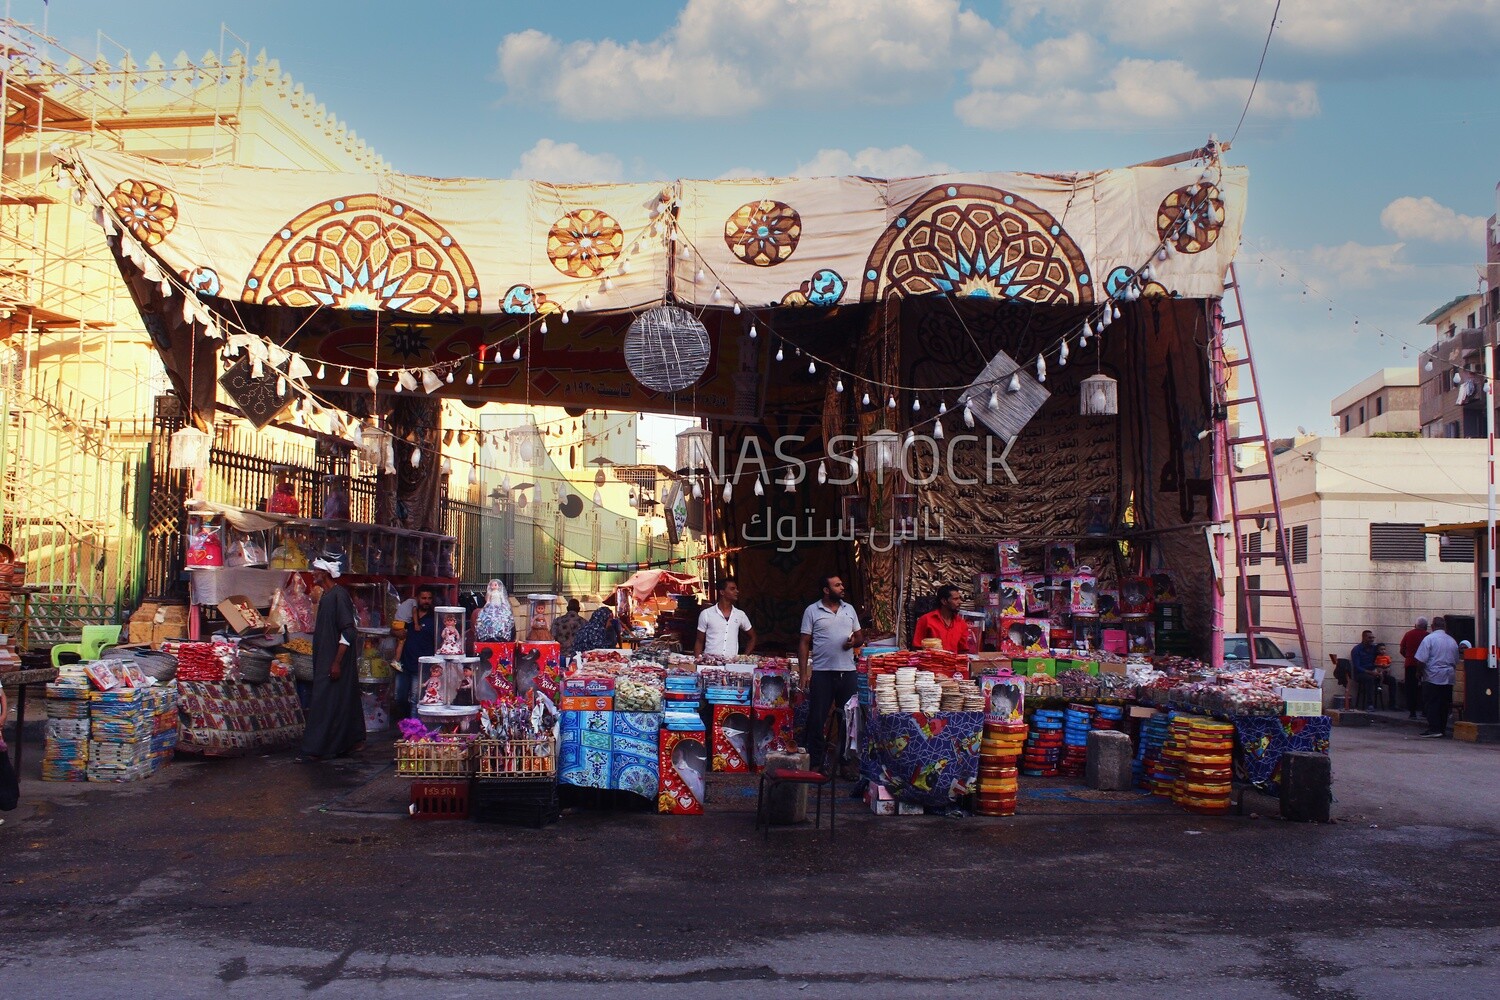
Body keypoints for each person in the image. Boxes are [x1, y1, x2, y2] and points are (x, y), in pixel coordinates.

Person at [298, 550, 365, 761]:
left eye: (316, 571)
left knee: (323, 703)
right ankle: (345, 743)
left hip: (334, 662)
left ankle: (316, 748)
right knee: (338, 703)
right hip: (326, 660)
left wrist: (336, 662)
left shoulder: (339, 595)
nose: (313, 575)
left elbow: (348, 631)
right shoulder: (327, 596)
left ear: (325, 573)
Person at [798, 575, 865, 774]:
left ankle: (845, 763)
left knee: (847, 719)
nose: (842, 587)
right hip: (822, 673)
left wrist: (855, 642)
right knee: (817, 719)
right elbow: (804, 642)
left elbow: (860, 636)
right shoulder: (812, 610)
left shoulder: (849, 609)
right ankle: (816, 762)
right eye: (837, 585)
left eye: (842, 584)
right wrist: (803, 673)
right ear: (826, 590)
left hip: (848, 673)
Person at [392, 585, 436, 720]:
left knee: (416, 699)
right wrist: (395, 632)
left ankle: (414, 731)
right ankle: (406, 723)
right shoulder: (408, 616)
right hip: (404, 664)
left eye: (429, 598)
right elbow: (394, 630)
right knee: (399, 697)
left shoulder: (434, 618)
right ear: (417, 598)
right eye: (423, 598)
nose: (426, 601)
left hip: (421, 666)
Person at [1413, 616, 1461, 738]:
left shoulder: (1429, 639)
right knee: (1444, 704)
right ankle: (1442, 728)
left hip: (1432, 675)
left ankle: (1434, 728)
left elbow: (1421, 659)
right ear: (1444, 626)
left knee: (1432, 702)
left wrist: (1419, 672)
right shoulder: (1452, 640)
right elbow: (1456, 660)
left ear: (1432, 626)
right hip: (1448, 676)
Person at [694, 577, 756, 657]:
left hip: (731, 665)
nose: (737, 591)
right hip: (710, 664)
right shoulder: (706, 614)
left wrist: (744, 657)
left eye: (736, 589)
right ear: (722, 592)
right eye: (732, 589)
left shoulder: (740, 615)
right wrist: (697, 662)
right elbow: (699, 641)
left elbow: (753, 637)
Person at [911, 584, 976, 654]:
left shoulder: (961, 623)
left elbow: (963, 650)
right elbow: (917, 647)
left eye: (960, 598)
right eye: (955, 599)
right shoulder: (925, 620)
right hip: (931, 663)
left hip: (953, 663)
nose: (960, 602)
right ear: (944, 601)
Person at [1399, 617, 1429, 721]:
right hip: (1425, 665)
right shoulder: (1427, 636)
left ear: (1415, 625)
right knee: (1426, 687)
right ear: (1425, 626)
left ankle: (1412, 712)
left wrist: (1408, 657)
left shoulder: (1408, 634)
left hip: (1410, 664)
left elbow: (1402, 649)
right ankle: (1425, 711)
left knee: (1411, 688)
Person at [1350, 630, 1379, 711]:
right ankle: (1370, 704)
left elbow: (1380, 659)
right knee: (1369, 679)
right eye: (1369, 638)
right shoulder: (1356, 649)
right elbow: (1357, 666)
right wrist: (1370, 672)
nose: (1372, 640)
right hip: (1361, 674)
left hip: (1374, 671)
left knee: (1392, 680)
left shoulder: (1374, 648)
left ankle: (1392, 704)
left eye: (1373, 638)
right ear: (1363, 638)